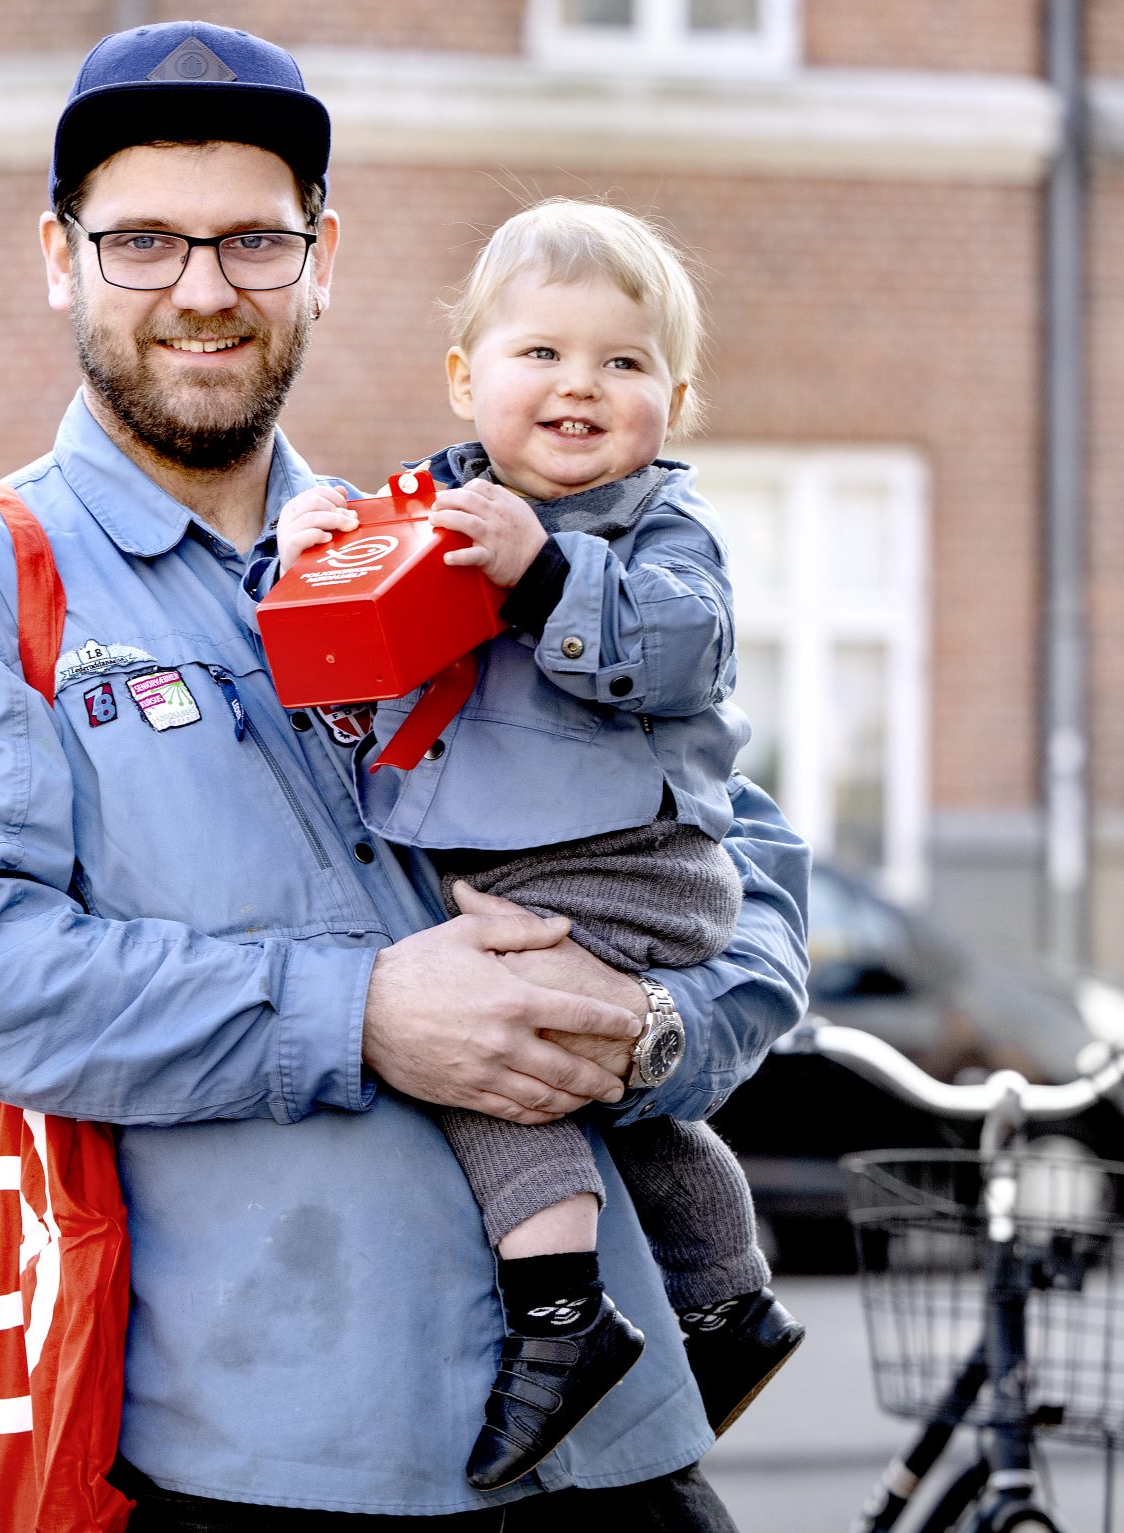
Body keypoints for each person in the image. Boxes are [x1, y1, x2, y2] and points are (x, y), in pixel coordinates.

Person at [0, 19, 809, 1527]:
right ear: (61, 256)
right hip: (269, 1469)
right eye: (144, 239)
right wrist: (364, 1011)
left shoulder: (456, 534)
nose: (204, 289)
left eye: (254, 241)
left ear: (321, 260)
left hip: (619, 1461)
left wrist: (658, 1027)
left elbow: (747, 859)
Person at [267, 198, 803, 1490]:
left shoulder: (656, 527)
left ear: (674, 398)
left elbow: (689, 645)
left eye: (623, 363)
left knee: (477, 1047)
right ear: (466, 379)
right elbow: (345, 637)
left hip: (630, 865)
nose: (580, 387)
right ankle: (731, 1301)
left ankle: (564, 1317)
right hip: (542, 866)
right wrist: (294, 560)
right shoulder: (435, 498)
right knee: (597, 1094)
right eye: (541, 354)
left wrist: (547, 572)